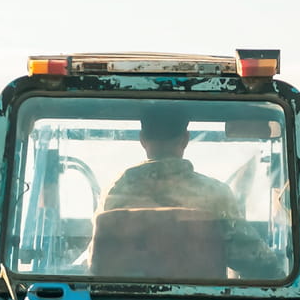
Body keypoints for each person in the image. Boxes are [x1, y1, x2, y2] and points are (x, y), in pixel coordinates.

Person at [98, 106, 283, 278]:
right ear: (185, 139)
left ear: (142, 140)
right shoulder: (215, 194)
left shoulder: (115, 193)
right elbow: (257, 262)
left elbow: (98, 260)